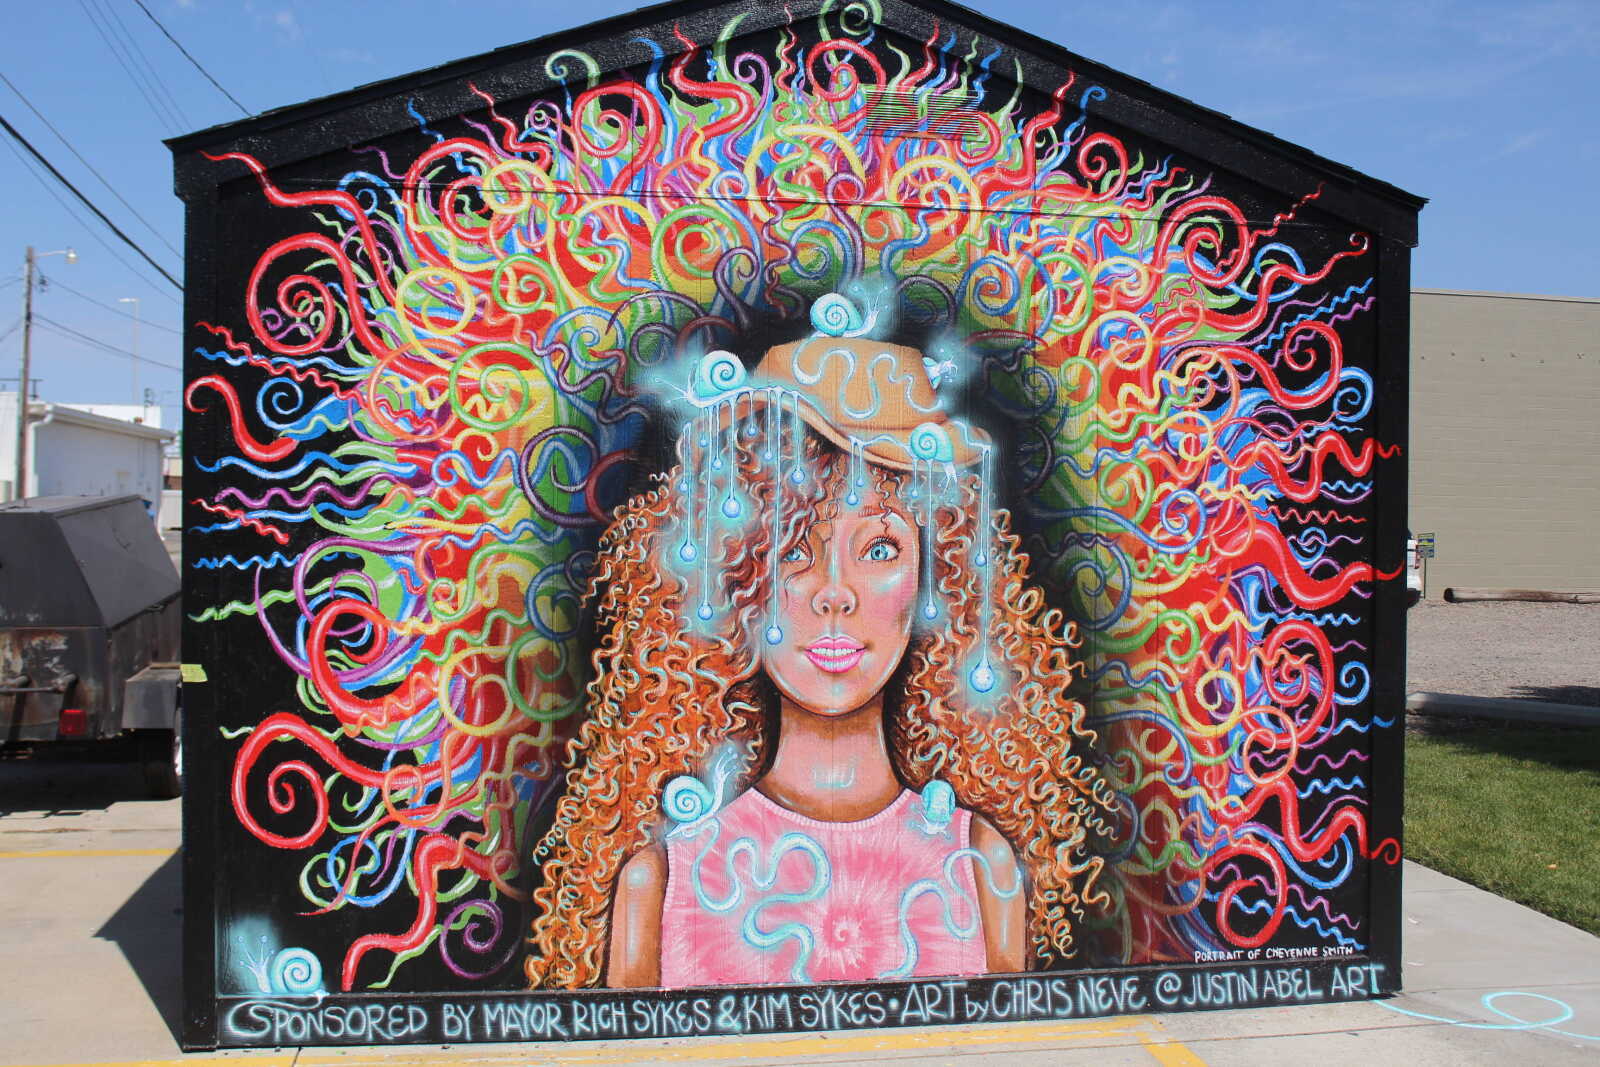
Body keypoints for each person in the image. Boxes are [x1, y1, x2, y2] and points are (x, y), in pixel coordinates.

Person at [526, 298, 1119, 989]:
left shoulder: (982, 866)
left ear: (938, 576)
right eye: (791, 549)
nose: (835, 593)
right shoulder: (660, 881)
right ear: (735, 579)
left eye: (879, 548)